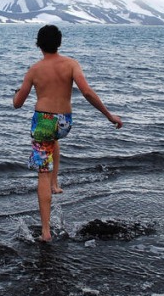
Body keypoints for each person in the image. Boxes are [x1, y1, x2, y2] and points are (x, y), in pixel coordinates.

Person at [13, 25, 123, 242]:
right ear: (59, 43)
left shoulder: (34, 70)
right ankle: (55, 183)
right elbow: (87, 92)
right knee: (53, 140)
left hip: (44, 120)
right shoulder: (71, 64)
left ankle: (45, 231)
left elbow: (18, 103)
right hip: (64, 122)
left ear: (38, 44)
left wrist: (17, 94)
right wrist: (109, 115)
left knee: (42, 170)